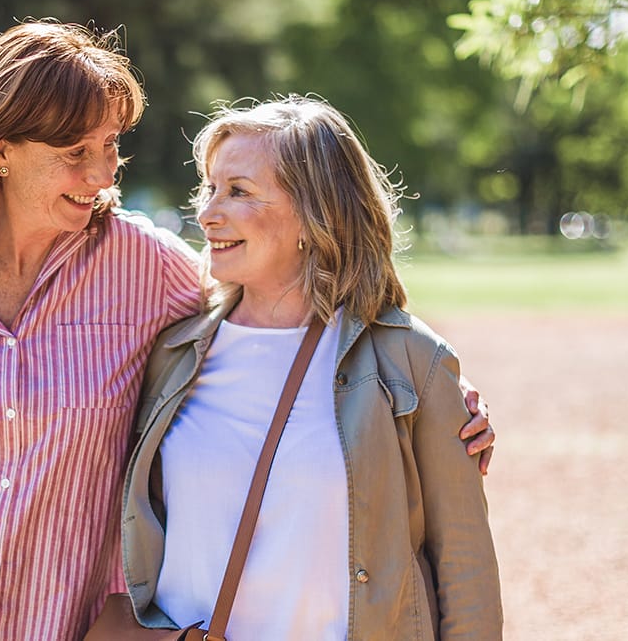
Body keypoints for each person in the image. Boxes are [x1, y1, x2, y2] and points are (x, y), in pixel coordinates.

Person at [0, 23, 496, 641]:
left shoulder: (146, 268)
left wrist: (434, 389)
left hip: (55, 623)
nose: (101, 174)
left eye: (110, 146)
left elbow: (286, 294)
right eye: (75, 153)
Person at [118, 96, 502, 640]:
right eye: (209, 188)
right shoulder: (171, 353)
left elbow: (466, 571)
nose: (206, 213)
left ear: (313, 213)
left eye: (239, 192)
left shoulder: (411, 363)